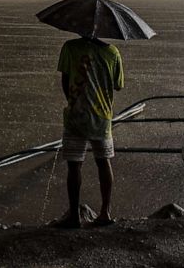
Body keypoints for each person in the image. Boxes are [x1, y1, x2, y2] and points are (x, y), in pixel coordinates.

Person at [54, 35, 124, 228]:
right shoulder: (112, 53)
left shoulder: (70, 47)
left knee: (74, 165)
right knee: (103, 162)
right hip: (102, 117)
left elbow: (65, 80)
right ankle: (105, 213)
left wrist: (74, 100)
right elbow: (117, 85)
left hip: (76, 116)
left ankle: (74, 216)